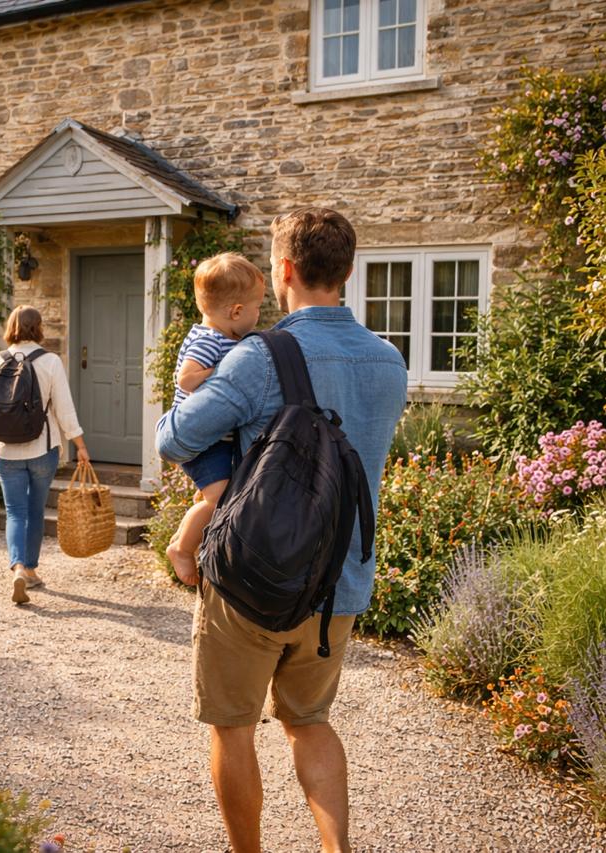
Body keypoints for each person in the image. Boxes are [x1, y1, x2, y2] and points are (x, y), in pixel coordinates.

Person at [156, 208, 408, 853]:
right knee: (310, 723)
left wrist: (194, 390)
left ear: (284, 269)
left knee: (233, 727)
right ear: (347, 272)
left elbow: (174, 437)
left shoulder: (258, 356)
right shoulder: (388, 361)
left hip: (252, 578)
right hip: (340, 584)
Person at [164, 252, 265, 585]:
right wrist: (222, 372)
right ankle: (180, 548)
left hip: (214, 441)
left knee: (220, 493)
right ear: (236, 312)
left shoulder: (222, 337)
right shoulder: (210, 341)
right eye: (257, 308)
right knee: (220, 498)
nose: (259, 314)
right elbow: (186, 379)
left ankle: (198, 509)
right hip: (203, 443)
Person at [0, 305, 90, 605]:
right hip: (42, 448)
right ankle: (30, 568)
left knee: (14, 511)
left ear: (11, 327)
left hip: (5, 448)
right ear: (38, 327)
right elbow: (64, 410)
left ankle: (18, 567)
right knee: (34, 510)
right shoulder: (50, 361)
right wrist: (80, 445)